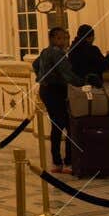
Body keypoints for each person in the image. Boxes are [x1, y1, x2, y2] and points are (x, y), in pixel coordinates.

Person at [32, 26, 73, 172]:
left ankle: (56, 162)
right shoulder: (57, 54)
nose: (65, 41)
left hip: (46, 91)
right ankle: (68, 162)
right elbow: (67, 74)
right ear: (53, 39)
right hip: (57, 91)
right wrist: (83, 82)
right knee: (68, 125)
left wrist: (41, 77)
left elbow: (35, 64)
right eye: (61, 38)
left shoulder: (45, 52)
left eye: (66, 38)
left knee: (57, 125)